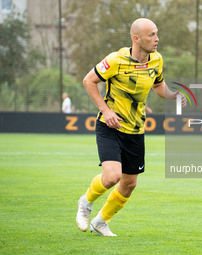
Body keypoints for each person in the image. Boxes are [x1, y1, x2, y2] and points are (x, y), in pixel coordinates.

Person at [76, 18, 187, 236]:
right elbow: (88, 81)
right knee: (111, 177)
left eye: (156, 33)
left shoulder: (156, 60)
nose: (157, 39)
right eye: (151, 35)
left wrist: (172, 95)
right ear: (136, 39)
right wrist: (106, 111)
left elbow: (158, 85)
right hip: (110, 127)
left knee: (129, 184)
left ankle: (100, 222)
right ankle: (85, 203)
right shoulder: (115, 60)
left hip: (136, 130)